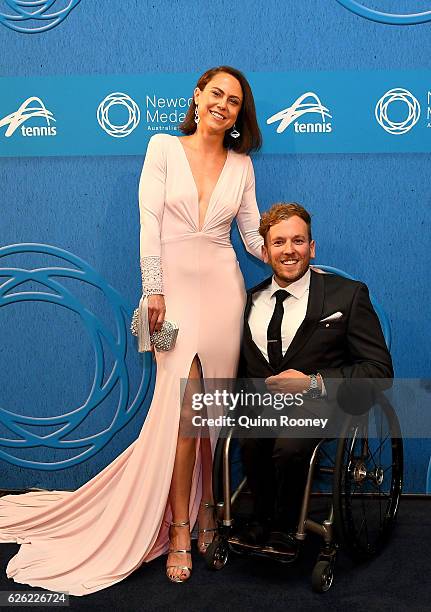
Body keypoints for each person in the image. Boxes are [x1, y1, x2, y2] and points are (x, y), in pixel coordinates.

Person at [0, 66, 264, 593]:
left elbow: (253, 237)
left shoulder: (242, 165)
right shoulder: (162, 147)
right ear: (198, 96)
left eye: (234, 101)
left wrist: (293, 259)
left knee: (209, 412)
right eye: (217, 94)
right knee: (182, 407)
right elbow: (149, 222)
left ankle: (208, 513)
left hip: (224, 293)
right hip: (172, 300)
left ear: (240, 114)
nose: (223, 105)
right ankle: (182, 529)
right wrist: (154, 290)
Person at [238, 202, 393, 553]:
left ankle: (286, 527)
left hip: (322, 403)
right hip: (264, 407)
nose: (289, 250)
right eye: (278, 242)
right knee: (248, 435)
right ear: (264, 252)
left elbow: (379, 371)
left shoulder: (348, 295)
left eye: (298, 240)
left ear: (312, 247)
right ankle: (260, 519)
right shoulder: (248, 301)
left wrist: (313, 382)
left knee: (291, 443)